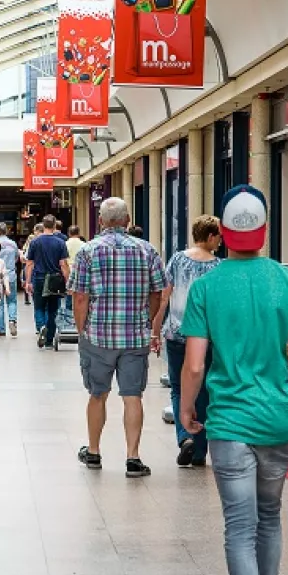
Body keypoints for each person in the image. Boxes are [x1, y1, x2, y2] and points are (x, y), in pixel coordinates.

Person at [178, 185, 288, 575]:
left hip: (230, 422)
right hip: (278, 420)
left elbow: (195, 365)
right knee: (269, 518)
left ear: (224, 232)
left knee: (239, 527)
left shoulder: (205, 288)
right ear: (262, 231)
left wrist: (186, 408)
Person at [69, 198, 166, 479]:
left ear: (100, 221)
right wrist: (145, 322)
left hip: (97, 336)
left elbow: (80, 297)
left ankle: (95, 452)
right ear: (127, 221)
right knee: (132, 396)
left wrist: (81, 329)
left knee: (97, 394)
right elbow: (157, 292)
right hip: (135, 338)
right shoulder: (147, 250)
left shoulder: (87, 252)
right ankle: (133, 458)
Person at [152, 215, 222, 468]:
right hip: (206, 337)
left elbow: (163, 297)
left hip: (176, 334)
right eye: (219, 236)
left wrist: (155, 329)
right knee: (203, 390)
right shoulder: (219, 266)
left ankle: (185, 438)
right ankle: (200, 449)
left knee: (178, 387)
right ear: (211, 236)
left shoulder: (177, 260)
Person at [26, 215, 70, 349]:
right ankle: (49, 340)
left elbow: (30, 263)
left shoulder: (35, 242)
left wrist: (28, 281)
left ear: (43, 225)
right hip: (55, 279)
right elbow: (63, 264)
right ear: (55, 226)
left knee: (39, 306)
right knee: (53, 309)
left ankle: (41, 327)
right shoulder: (60, 242)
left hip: (38, 277)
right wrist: (67, 281)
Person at [0, 222, 20, 337]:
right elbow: (16, 258)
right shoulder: (12, 244)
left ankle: (1, 329)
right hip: (11, 274)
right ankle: (12, 320)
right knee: (12, 300)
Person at [21, 224, 43, 306]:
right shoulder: (58, 242)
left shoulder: (33, 244)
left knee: (38, 304)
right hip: (51, 276)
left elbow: (28, 262)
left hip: (37, 274)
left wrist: (27, 281)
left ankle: (41, 318)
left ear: (37, 231)